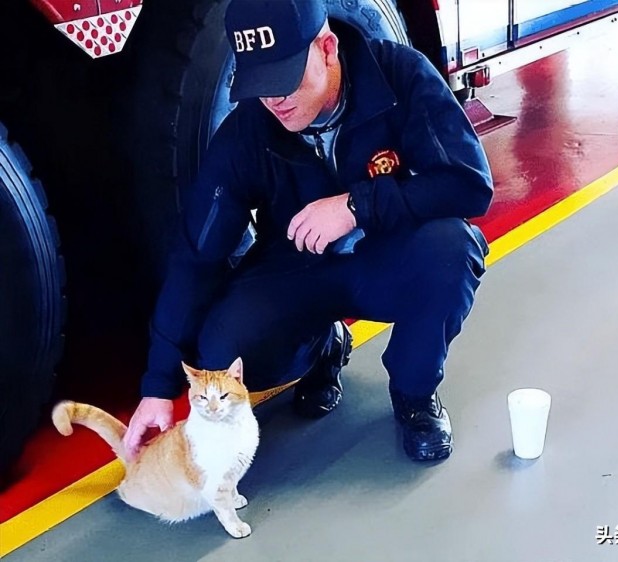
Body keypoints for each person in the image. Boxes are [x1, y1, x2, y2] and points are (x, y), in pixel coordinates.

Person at [123, 0, 492, 462]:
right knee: (221, 349)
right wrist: (157, 386)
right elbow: (196, 256)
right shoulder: (248, 131)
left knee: (452, 251)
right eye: (259, 82)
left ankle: (414, 395)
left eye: (284, 77)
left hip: (388, 254)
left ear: (327, 48)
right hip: (299, 265)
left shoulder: (400, 75)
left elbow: (469, 184)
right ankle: (323, 348)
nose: (274, 99)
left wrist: (358, 205)